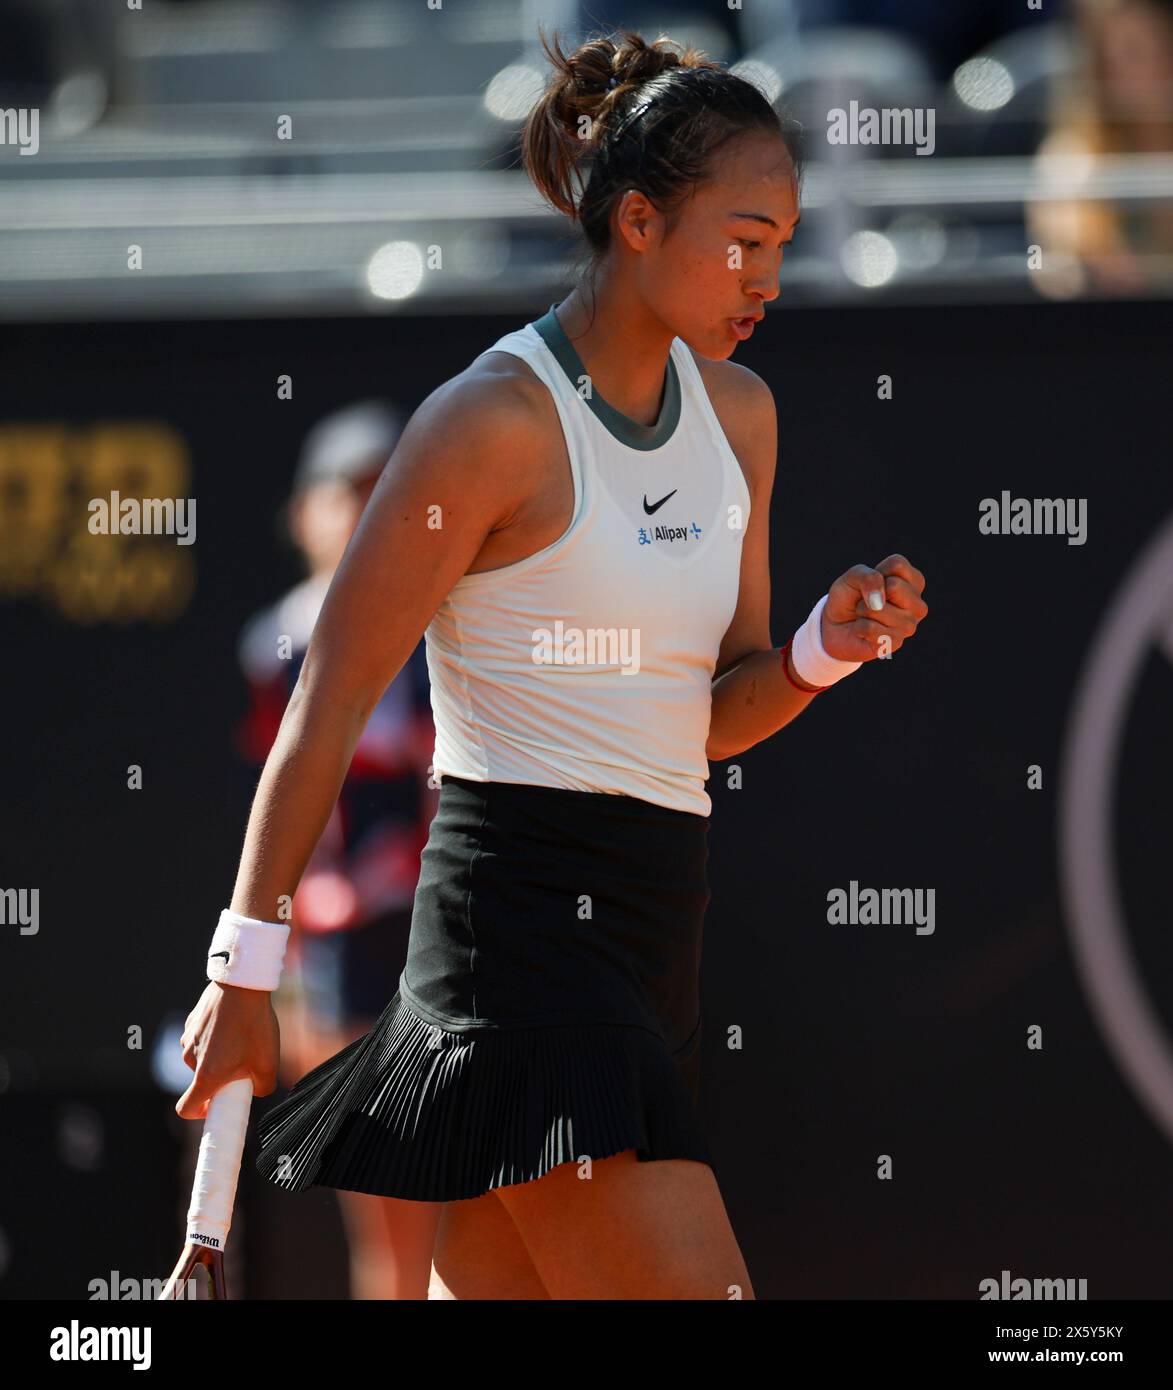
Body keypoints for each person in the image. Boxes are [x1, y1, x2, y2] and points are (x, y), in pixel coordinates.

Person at [177, 27, 928, 1300]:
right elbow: (330, 699)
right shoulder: (488, 425)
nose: (771, 277)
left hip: (651, 951)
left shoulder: (742, 419)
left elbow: (706, 718)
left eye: (785, 244)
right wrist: (242, 974)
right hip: (518, 954)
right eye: (744, 240)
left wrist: (819, 650)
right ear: (637, 221)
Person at [234, 401, 440, 1299]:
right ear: (300, 513)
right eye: (346, 490)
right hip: (342, 970)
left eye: (382, 488)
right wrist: (281, 958)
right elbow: (283, 816)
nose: (365, 508)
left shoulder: (455, 622)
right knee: (386, 1220)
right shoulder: (273, 646)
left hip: (454, 953)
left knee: (472, 1212)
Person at [1029, 0, 1173, 297]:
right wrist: (1083, 252)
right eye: (1134, 53)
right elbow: (1057, 268)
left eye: (1166, 46)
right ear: (1101, 65)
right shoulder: (1073, 152)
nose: (1159, 67)